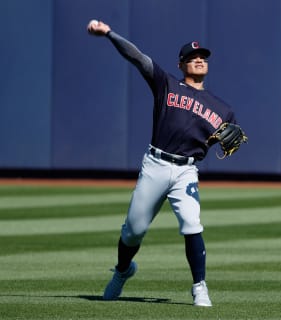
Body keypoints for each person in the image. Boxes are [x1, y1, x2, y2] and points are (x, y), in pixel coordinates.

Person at [87, 19, 245, 307]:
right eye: (192, 57)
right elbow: (137, 56)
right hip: (156, 164)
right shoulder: (166, 84)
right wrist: (109, 33)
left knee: (191, 223)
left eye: (203, 58)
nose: (199, 60)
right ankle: (123, 271)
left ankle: (199, 287)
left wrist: (223, 139)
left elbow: (225, 141)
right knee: (133, 231)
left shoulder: (223, 109)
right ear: (181, 64)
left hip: (186, 170)